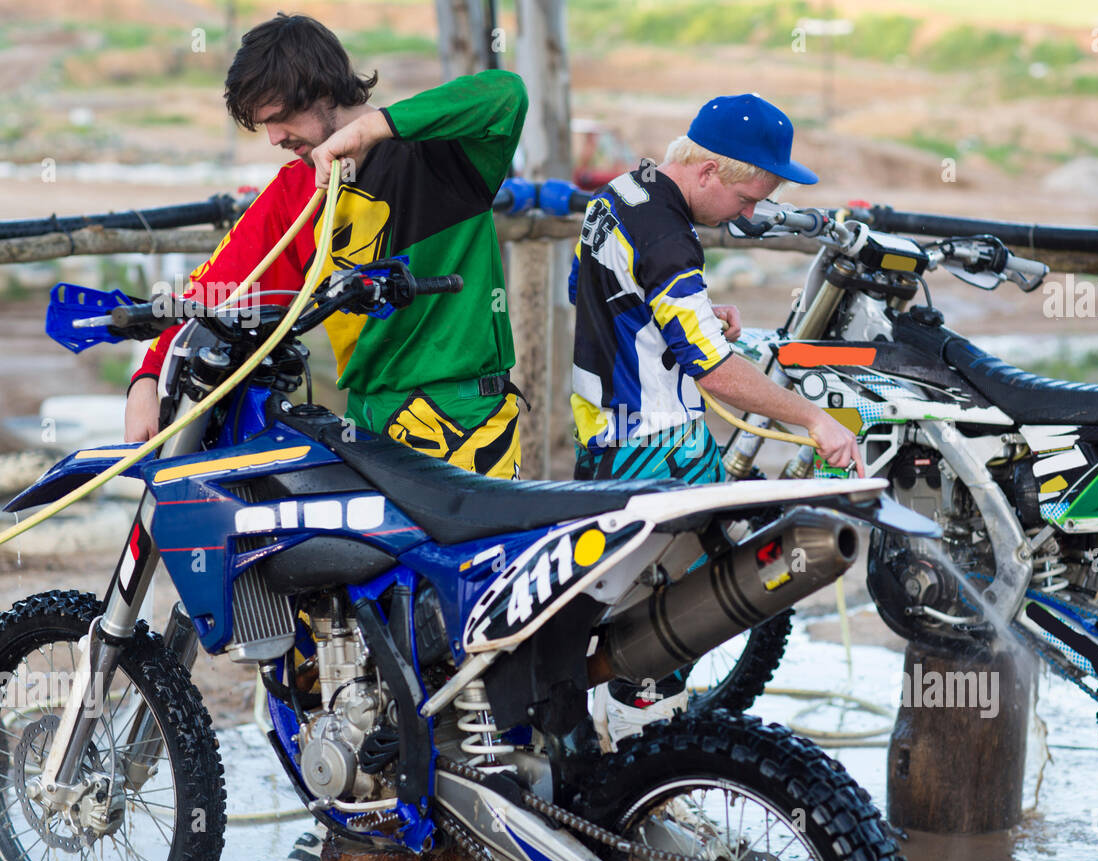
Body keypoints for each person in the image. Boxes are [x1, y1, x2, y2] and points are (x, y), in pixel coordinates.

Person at [569, 92, 865, 748]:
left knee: (608, 610)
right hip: (659, 445)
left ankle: (596, 751)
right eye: (748, 199)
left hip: (602, 434)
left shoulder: (622, 191)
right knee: (669, 628)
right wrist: (815, 419)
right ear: (709, 172)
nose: (750, 215)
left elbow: (595, 292)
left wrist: (697, 308)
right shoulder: (672, 238)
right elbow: (716, 372)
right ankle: (651, 777)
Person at [125, 13, 528, 478]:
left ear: (321, 90)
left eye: (278, 119)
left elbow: (507, 93)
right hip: (365, 425)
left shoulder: (441, 152)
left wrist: (371, 129)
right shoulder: (294, 192)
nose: (274, 138)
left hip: (466, 420)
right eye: (264, 126)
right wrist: (147, 377)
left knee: (468, 553)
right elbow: (215, 289)